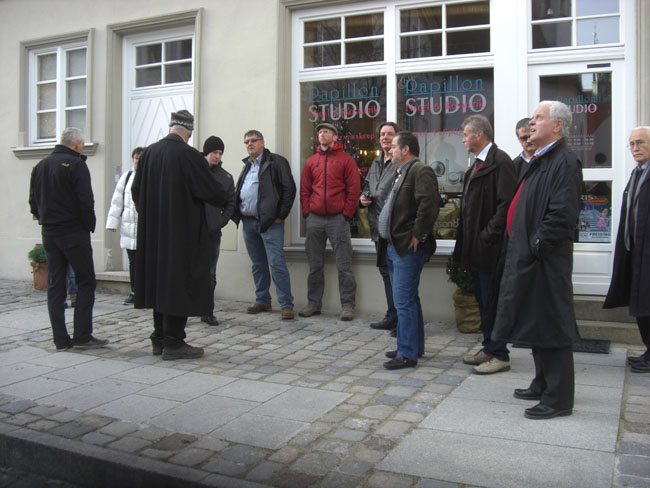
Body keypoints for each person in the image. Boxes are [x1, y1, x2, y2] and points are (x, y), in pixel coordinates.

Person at [492, 101, 583, 419]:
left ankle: (558, 399)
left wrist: (538, 244)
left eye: (538, 118)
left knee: (553, 325)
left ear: (557, 126)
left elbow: (562, 212)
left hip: (545, 259)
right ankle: (542, 383)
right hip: (530, 256)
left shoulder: (565, 161)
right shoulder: (541, 159)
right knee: (537, 322)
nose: (531, 123)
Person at [131, 110, 226, 360]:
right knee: (178, 284)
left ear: (171, 127)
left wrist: (151, 216)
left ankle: (159, 338)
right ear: (189, 132)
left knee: (160, 284)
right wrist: (225, 195)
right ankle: (173, 342)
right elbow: (210, 191)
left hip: (153, 234)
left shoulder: (149, 153)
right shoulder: (189, 155)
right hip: (181, 233)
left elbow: (136, 191)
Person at [29, 127, 109, 351]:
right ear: (77, 144)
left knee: (56, 284)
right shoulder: (76, 164)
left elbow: (33, 202)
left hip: (49, 232)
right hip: (73, 231)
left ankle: (61, 339)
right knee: (86, 281)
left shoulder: (40, 166)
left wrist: (44, 218)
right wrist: (88, 225)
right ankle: (82, 336)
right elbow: (86, 201)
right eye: (82, 144)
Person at [457, 115, 517, 375]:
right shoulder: (478, 164)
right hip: (478, 249)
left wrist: (487, 234)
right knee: (483, 300)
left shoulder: (500, 161)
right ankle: (489, 347)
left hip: (491, 248)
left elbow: (506, 204)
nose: (463, 139)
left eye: (465, 134)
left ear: (479, 135)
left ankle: (500, 354)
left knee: (493, 301)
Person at [379, 131, 440, 369]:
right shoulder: (401, 172)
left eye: (394, 146)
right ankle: (413, 346)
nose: (390, 150)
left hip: (407, 246)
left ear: (406, 149)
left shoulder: (420, 170)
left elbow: (429, 205)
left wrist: (418, 234)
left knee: (403, 301)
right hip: (394, 246)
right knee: (409, 299)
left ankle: (407, 354)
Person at [299, 122, 360, 321]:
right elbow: (305, 189)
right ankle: (313, 304)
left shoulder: (346, 160)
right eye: (320, 132)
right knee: (315, 265)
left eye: (326, 132)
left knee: (344, 265)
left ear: (335, 137)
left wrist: (346, 214)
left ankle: (347, 306)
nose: (322, 134)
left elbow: (353, 189)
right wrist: (307, 212)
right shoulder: (312, 161)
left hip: (338, 219)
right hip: (315, 219)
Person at [233, 130, 296, 320]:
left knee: (276, 263)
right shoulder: (247, 165)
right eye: (246, 141)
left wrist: (280, 216)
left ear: (262, 142)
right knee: (258, 264)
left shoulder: (276, 162)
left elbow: (289, 189)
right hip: (249, 222)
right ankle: (262, 300)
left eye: (253, 140)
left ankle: (286, 304)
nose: (249, 144)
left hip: (270, 223)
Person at [604, 127, 650, 373]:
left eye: (640, 142)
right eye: (631, 144)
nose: (635, 148)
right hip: (635, 250)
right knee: (640, 304)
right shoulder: (637, 173)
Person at [360, 121, 399, 332]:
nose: (385, 137)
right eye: (382, 134)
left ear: (397, 137)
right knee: (386, 273)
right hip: (377, 228)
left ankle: (401, 319)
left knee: (397, 276)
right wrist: (363, 198)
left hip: (394, 229)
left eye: (390, 134)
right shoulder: (376, 162)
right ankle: (392, 315)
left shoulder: (400, 162)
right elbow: (367, 186)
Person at [201, 136, 236, 326]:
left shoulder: (226, 178)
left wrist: (219, 222)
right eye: (214, 152)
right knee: (187, 272)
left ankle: (207, 311)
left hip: (212, 233)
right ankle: (184, 310)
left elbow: (231, 203)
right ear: (207, 152)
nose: (217, 156)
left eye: (220, 153)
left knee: (210, 274)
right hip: (191, 232)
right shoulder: (195, 171)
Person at [106, 147, 144, 305]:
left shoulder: (150, 177)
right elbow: (117, 201)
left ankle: (144, 291)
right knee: (133, 261)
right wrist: (112, 222)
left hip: (143, 228)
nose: (138, 161)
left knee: (145, 262)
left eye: (141, 158)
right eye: (136, 158)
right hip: (128, 228)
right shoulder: (126, 177)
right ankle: (134, 291)